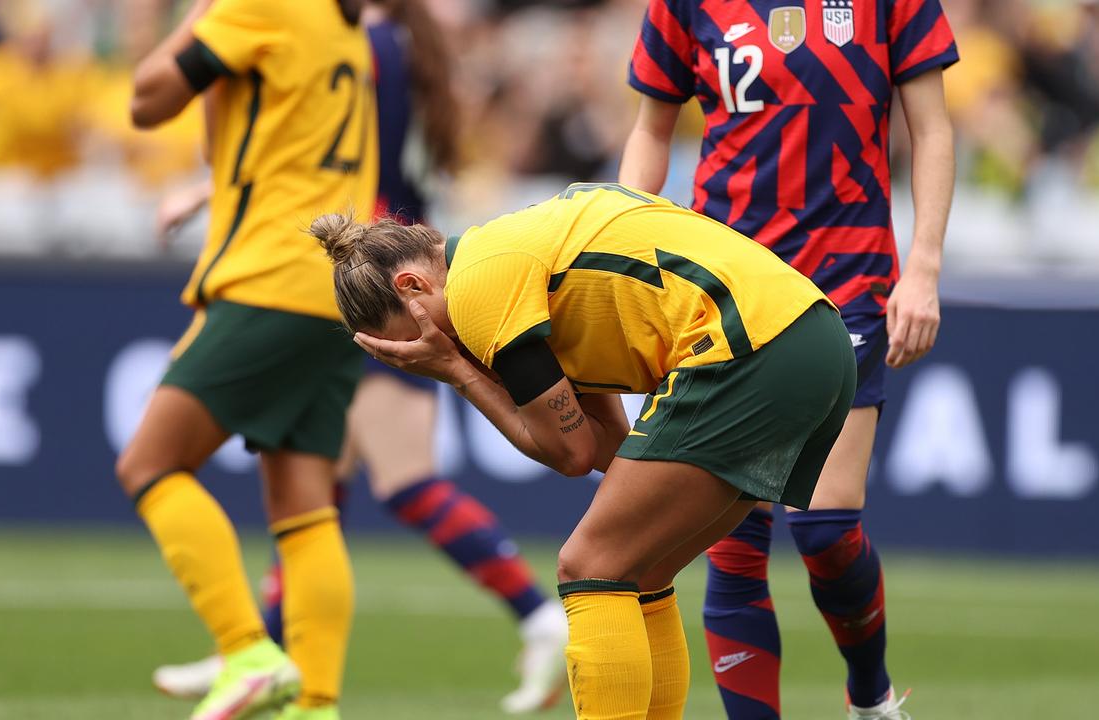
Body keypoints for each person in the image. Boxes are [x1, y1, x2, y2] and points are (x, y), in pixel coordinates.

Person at [149, 0, 569, 711]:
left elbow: (323, 158)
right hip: (400, 266)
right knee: (319, 490)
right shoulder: (406, 46)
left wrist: (227, 187)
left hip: (370, 277)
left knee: (380, 483)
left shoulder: (353, 41)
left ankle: (535, 616)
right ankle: (267, 650)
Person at [310, 181, 857, 720]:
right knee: (639, 572)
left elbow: (570, 455)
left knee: (589, 564)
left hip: (745, 347)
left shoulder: (477, 285)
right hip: (812, 337)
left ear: (413, 286)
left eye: (411, 339)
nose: (426, 350)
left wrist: (455, 371)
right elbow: (609, 449)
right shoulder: (524, 252)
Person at [619, 0, 959, 717]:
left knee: (825, 529)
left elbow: (930, 129)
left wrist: (923, 267)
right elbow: (652, 128)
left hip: (848, 277)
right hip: (724, 283)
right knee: (731, 543)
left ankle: (869, 694)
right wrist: (618, 243)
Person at [121, 0, 376, 718]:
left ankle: (246, 651)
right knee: (305, 507)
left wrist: (200, 11)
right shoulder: (340, 20)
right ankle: (317, 703)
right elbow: (221, 143)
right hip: (337, 286)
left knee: (149, 464)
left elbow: (148, 99)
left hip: (270, 278)